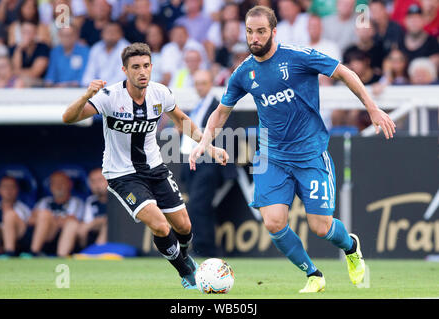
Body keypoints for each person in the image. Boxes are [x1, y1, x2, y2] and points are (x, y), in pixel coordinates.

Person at [189, 5, 396, 293]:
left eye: (261, 32)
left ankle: (351, 247)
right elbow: (221, 111)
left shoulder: (298, 56)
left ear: (274, 31)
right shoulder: (244, 72)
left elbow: (344, 72)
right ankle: (314, 274)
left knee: (321, 227)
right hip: (272, 157)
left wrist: (373, 109)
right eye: (250, 32)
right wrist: (204, 140)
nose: (255, 38)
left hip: (310, 153)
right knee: (274, 223)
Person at [62, 42, 228, 289]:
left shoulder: (160, 93)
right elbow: (68, 118)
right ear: (124, 70)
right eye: (136, 67)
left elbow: (182, 120)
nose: (142, 72)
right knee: (161, 225)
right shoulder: (109, 97)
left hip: (155, 168)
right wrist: (86, 95)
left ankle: (182, 256)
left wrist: (210, 147)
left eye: (146, 66)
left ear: (152, 67)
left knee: (184, 226)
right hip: (122, 174)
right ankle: (186, 274)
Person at [180, 69, 237, 257]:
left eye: (203, 83)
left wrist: (218, 161)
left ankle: (204, 248)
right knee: (197, 206)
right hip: (193, 163)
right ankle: (203, 247)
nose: (200, 87)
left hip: (208, 163)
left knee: (198, 206)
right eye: (197, 83)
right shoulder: (197, 107)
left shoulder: (217, 107)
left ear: (211, 83)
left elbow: (227, 134)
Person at [26, 171, 84, 257]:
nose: (58, 186)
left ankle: (61, 258)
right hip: (45, 236)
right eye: (54, 183)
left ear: (70, 184)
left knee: (71, 224)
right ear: (50, 186)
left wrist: (49, 220)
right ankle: (34, 253)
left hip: (64, 237)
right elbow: (30, 220)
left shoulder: (76, 202)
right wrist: (49, 220)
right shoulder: (44, 202)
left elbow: (73, 220)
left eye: (62, 182)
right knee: (45, 215)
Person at [0, 176, 31, 257]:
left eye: (12, 187)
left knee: (10, 215)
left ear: (17, 190)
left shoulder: (23, 209)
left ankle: (9, 253)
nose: (9, 190)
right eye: (5, 187)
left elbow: (26, 232)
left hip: (18, 242)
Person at [81, 21, 130, 86]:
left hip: (119, 89)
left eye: (114, 32)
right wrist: (88, 84)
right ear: (102, 34)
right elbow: (89, 73)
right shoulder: (96, 48)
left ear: (121, 34)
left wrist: (103, 87)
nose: (111, 34)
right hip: (97, 89)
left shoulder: (127, 49)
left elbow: (122, 76)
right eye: (108, 32)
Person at [44, 23, 89, 87]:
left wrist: (65, 85)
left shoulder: (84, 52)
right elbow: (50, 77)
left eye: (69, 35)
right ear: (59, 36)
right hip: (57, 91)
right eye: (63, 35)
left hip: (78, 91)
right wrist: (49, 85)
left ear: (76, 36)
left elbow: (84, 78)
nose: (66, 38)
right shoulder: (55, 52)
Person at [78, 168, 108, 248]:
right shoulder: (90, 200)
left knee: (108, 222)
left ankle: (98, 250)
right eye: (93, 181)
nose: (97, 185)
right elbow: (86, 224)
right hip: (92, 234)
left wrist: (99, 221)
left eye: (100, 180)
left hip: (117, 236)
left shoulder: (119, 198)